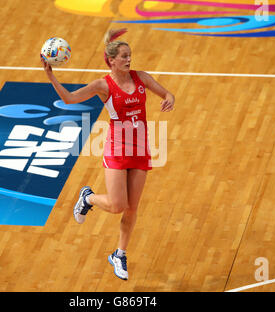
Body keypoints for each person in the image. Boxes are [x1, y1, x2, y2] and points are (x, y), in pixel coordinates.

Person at [41, 28, 175, 279]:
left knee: (132, 208)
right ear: (111, 60)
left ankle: (119, 255)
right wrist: (51, 76)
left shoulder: (141, 77)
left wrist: (170, 98)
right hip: (117, 148)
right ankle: (88, 198)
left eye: (129, 55)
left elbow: (167, 92)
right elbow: (69, 99)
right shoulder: (102, 85)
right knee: (116, 205)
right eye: (124, 56)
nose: (128, 59)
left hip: (141, 147)